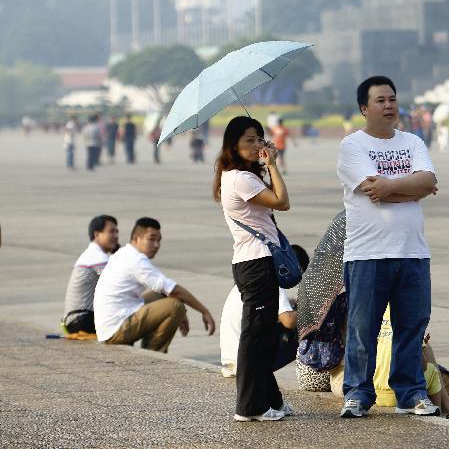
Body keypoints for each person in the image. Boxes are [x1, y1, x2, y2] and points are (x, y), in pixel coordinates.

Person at [337, 75, 439, 419]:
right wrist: (412, 189)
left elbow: (429, 181)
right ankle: (357, 393)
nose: (389, 106)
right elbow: (373, 191)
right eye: (380, 100)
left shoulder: (412, 141)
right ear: (364, 108)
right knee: (362, 329)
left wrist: (395, 187)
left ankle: (411, 392)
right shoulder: (353, 146)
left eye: (392, 99)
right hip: (367, 253)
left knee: (412, 326)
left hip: (413, 251)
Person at [215, 116, 294, 422]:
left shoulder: (236, 175)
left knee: (264, 337)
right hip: (256, 263)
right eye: (249, 139)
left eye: (259, 138)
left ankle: (270, 400)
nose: (257, 144)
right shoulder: (240, 178)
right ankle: (249, 407)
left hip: (253, 263)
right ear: (233, 144)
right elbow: (282, 202)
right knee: (255, 338)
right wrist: (273, 164)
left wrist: (264, 164)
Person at [94, 217, 215, 353]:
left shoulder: (125, 253)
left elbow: (167, 290)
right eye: (151, 239)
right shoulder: (136, 261)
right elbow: (175, 291)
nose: (156, 245)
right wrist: (204, 312)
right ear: (136, 238)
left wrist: (182, 311)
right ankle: (153, 354)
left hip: (110, 326)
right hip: (115, 331)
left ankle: (151, 349)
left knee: (161, 295)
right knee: (175, 306)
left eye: (159, 240)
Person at [220, 245, 310, 378]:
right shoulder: (273, 283)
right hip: (247, 365)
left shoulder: (251, 278)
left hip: (231, 361)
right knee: (303, 332)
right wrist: (314, 312)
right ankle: (315, 375)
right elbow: (289, 321)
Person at [61, 215, 120, 335]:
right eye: (111, 231)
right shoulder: (98, 257)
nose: (116, 236)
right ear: (97, 234)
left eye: (116, 232)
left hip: (76, 319)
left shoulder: (92, 254)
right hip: (81, 320)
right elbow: (119, 285)